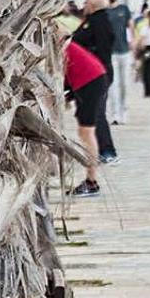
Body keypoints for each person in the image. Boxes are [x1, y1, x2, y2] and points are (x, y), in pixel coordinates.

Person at [73, 0, 118, 164]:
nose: (83, 5)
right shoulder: (93, 21)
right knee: (93, 112)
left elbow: (102, 48)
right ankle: (98, 149)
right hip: (93, 74)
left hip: (99, 74)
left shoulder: (99, 22)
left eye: (85, 2)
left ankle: (108, 151)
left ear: (92, 5)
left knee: (98, 113)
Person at [65, 39, 108, 198]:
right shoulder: (63, 45)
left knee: (86, 132)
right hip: (92, 79)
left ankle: (91, 182)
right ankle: (91, 180)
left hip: (90, 82)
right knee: (85, 132)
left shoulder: (55, 45)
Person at [103, 0, 134, 125]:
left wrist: (133, 43)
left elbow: (131, 27)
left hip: (124, 52)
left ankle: (124, 113)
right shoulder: (104, 11)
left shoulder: (124, 9)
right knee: (112, 84)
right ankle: (114, 114)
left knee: (125, 84)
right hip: (110, 53)